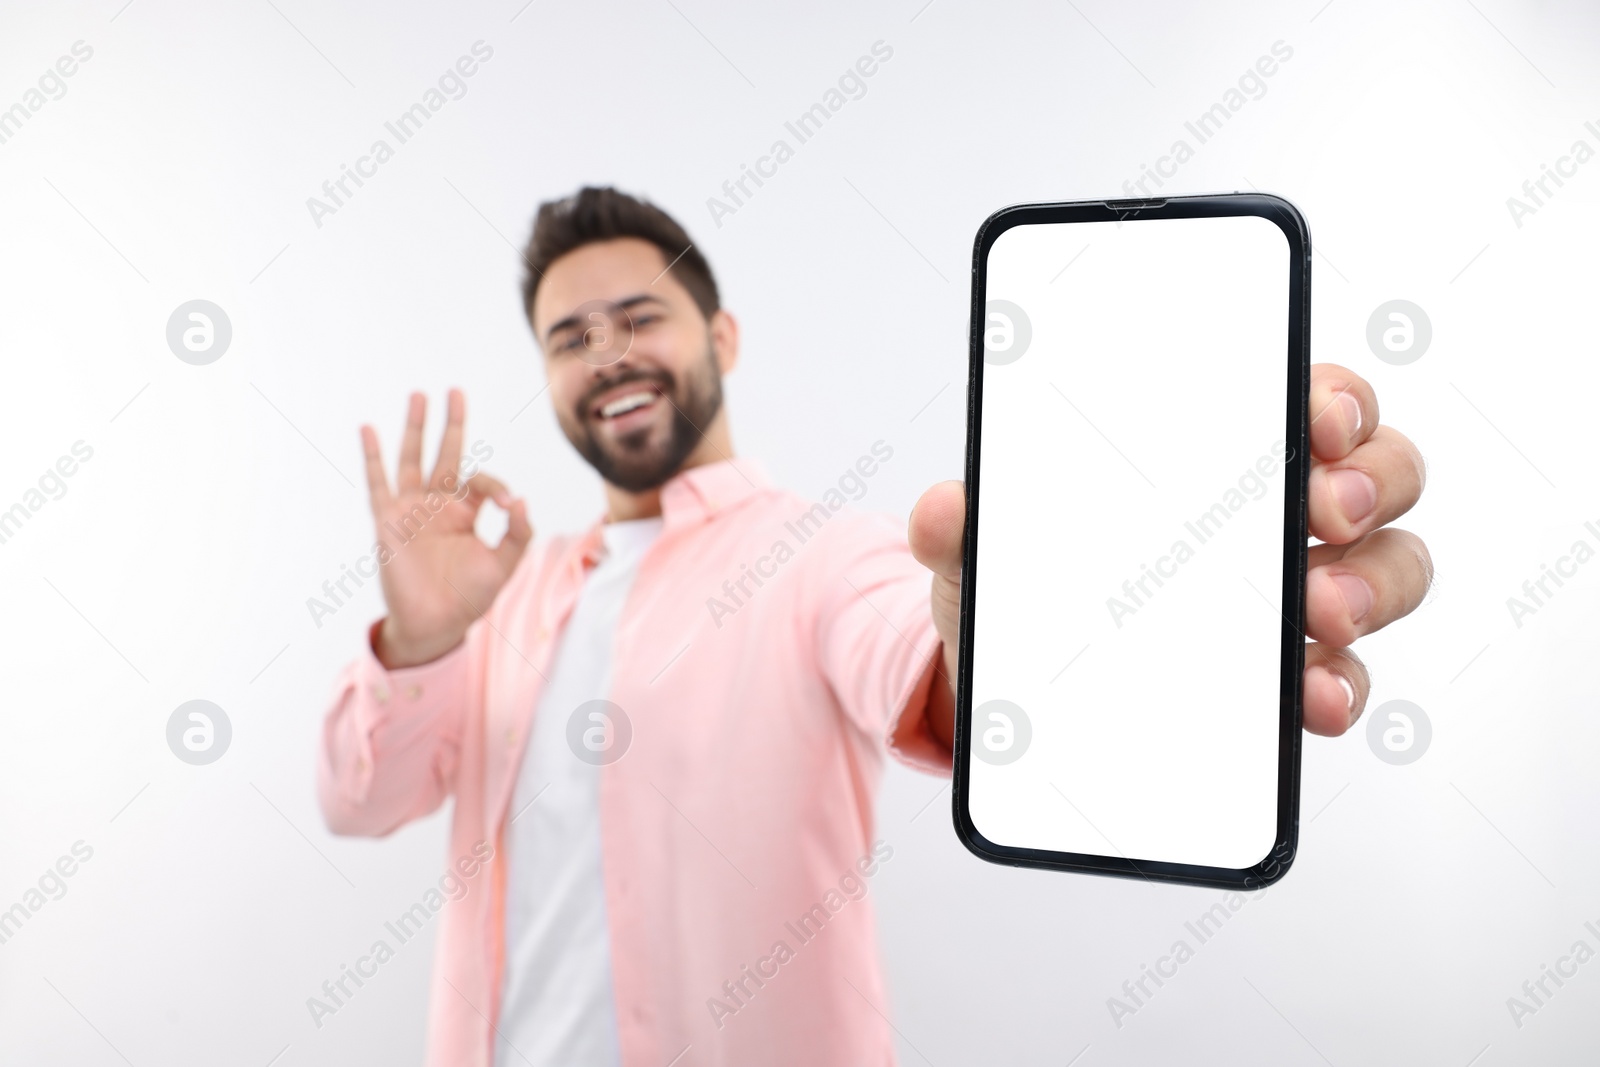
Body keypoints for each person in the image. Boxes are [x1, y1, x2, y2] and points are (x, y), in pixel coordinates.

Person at [316, 186, 1432, 1067]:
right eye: (569, 337)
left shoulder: (823, 555)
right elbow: (358, 803)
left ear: (723, 334)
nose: (605, 352)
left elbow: (939, 672)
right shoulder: (504, 594)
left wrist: (1033, 631)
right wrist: (417, 639)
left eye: (640, 315)